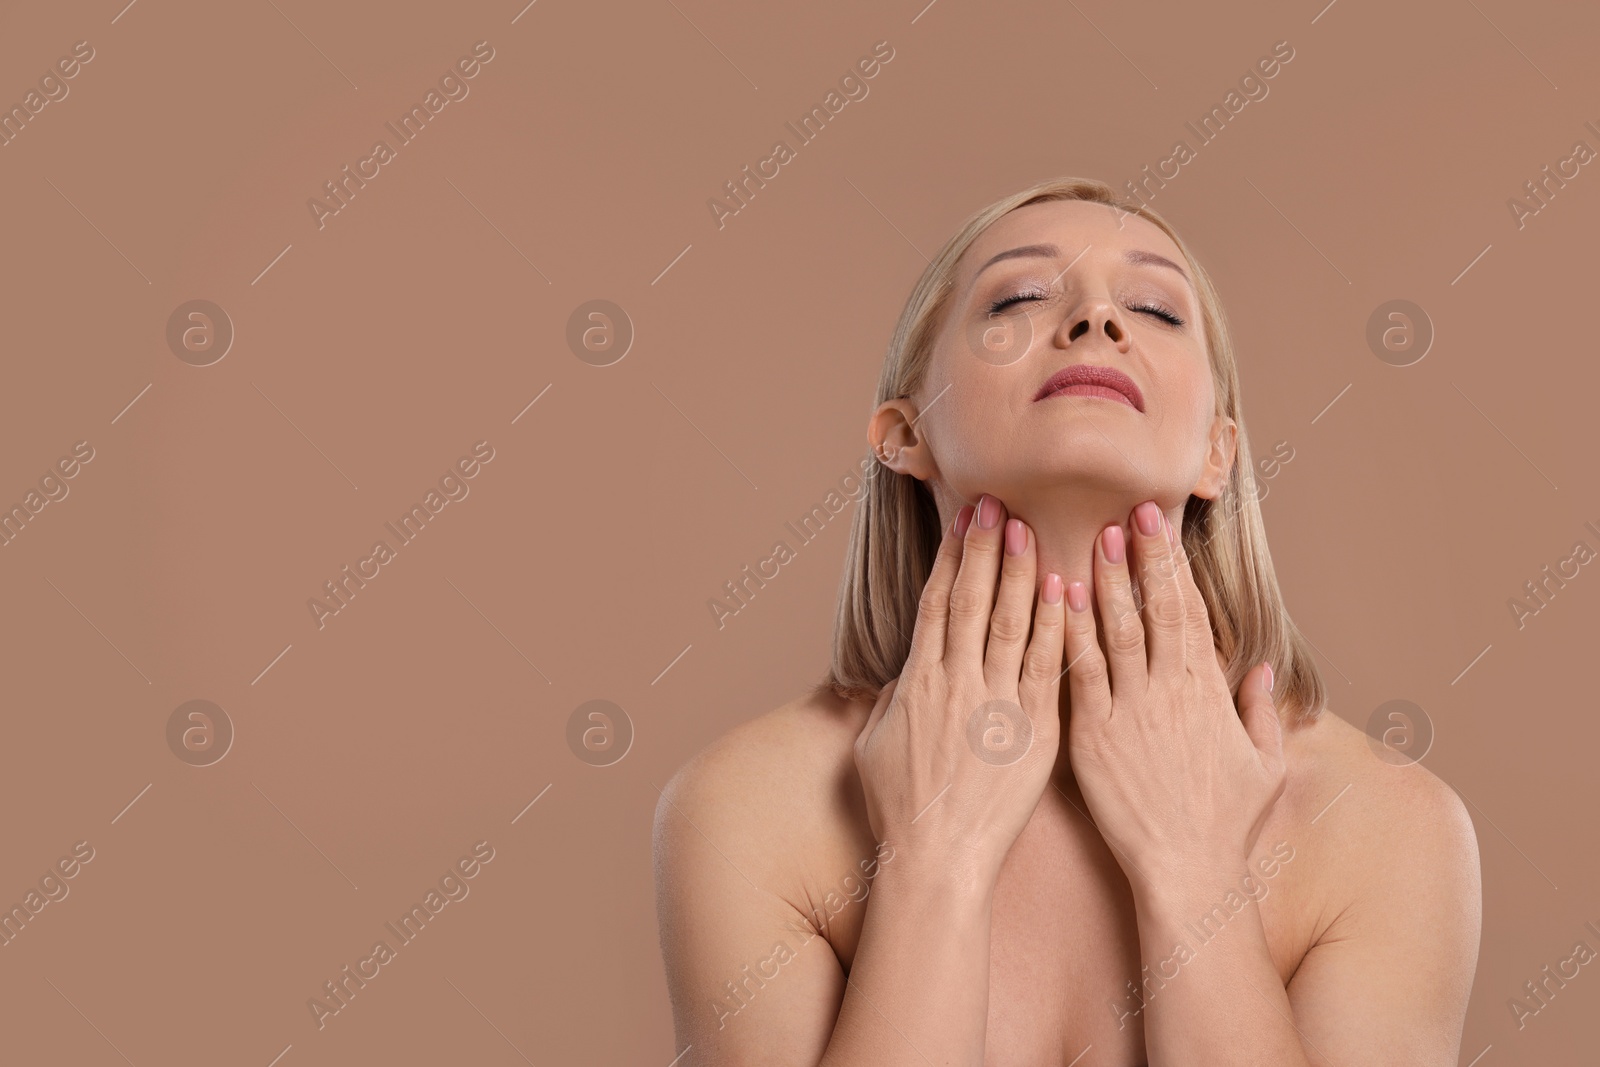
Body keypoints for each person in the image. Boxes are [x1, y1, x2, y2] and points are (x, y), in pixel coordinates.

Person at [652, 176, 1481, 1066]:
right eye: (1018, 298)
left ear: (1218, 451)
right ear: (903, 431)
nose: (1097, 322)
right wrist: (936, 858)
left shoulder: (1389, 826)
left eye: (1157, 310)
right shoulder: (747, 807)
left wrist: (1193, 868)